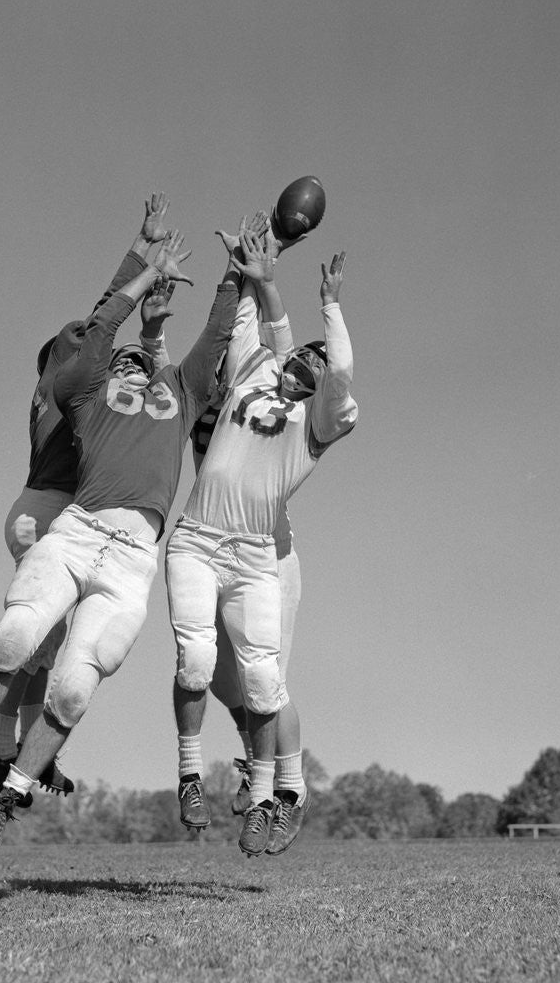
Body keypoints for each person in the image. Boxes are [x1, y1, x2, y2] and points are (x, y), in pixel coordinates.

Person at [0, 221, 243, 865]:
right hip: (75, 529)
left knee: (72, 686)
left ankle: (6, 801)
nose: (131, 365)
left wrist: (236, 277)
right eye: (121, 361)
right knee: (15, 638)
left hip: (131, 560)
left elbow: (213, 340)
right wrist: (144, 276)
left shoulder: (178, 396)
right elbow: (95, 337)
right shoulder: (84, 395)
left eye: (141, 361)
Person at [0, 194, 174, 804]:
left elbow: (102, 320)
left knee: (47, 641)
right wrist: (139, 258)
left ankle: (10, 746)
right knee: (31, 639)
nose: (95, 350)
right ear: (56, 359)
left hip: (53, 509)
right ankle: (3, 746)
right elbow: (99, 316)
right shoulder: (64, 385)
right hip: (52, 509)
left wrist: (142, 250)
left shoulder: (71, 392)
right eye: (78, 343)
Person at [166, 229, 358, 857]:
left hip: (267, 554)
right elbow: (249, 329)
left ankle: (287, 791)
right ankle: (254, 761)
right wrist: (247, 268)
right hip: (207, 541)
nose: (303, 358)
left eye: (315, 360)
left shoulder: (311, 418)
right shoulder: (233, 389)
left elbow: (305, 354)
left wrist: (303, 296)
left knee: (266, 682)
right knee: (218, 681)